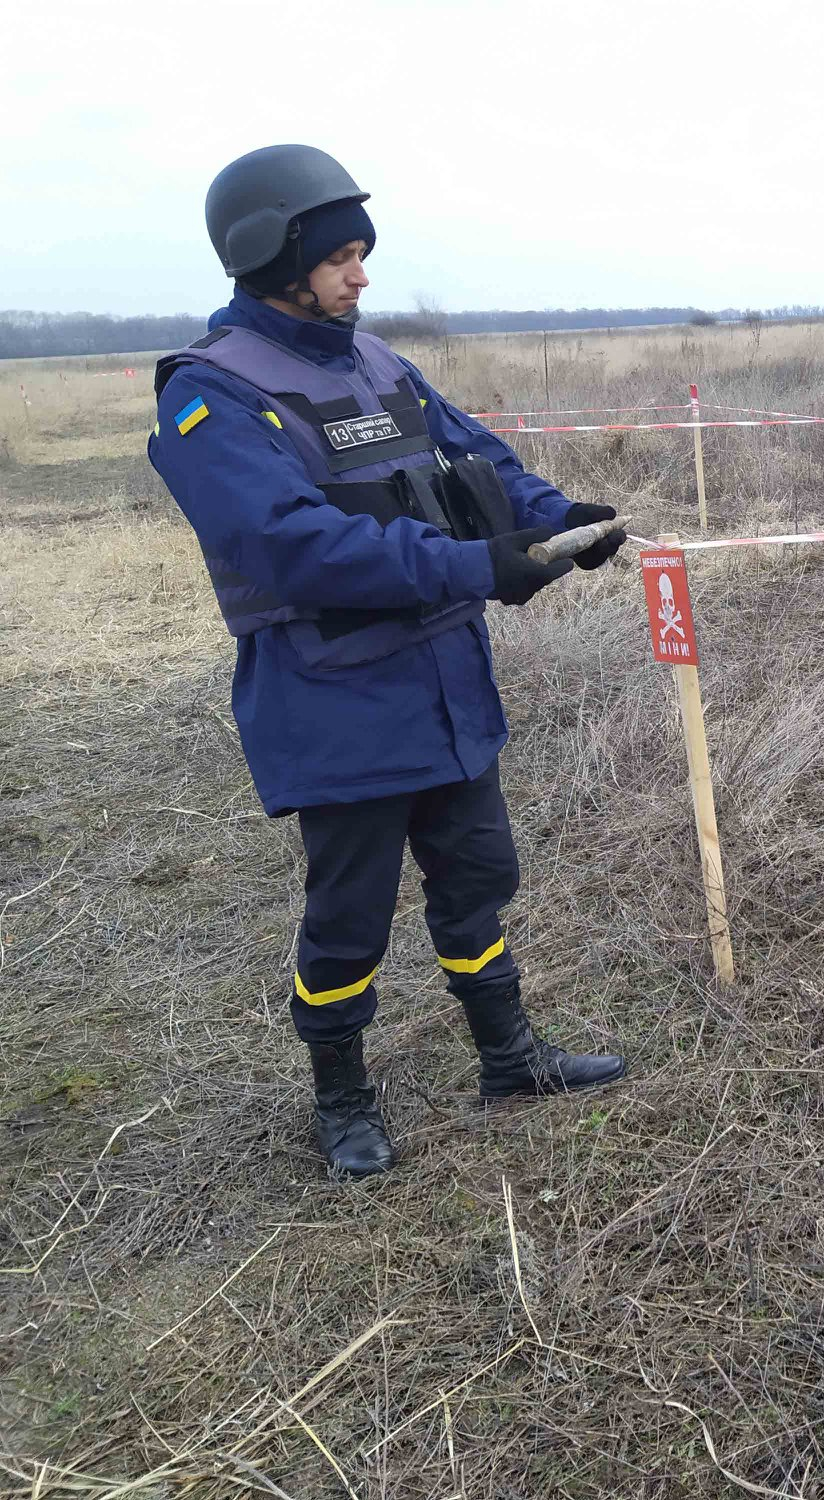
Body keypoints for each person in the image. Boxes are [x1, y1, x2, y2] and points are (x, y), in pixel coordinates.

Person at [147, 144, 628, 1178]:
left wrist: (558, 521)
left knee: (477, 879)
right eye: (337, 258)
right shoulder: (209, 397)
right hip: (335, 700)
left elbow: (476, 461)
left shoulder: (376, 363)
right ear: (268, 255)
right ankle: (342, 1103)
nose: (358, 274)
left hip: (446, 681)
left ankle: (509, 1060)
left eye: (362, 254)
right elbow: (291, 545)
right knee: (349, 918)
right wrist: (477, 566)